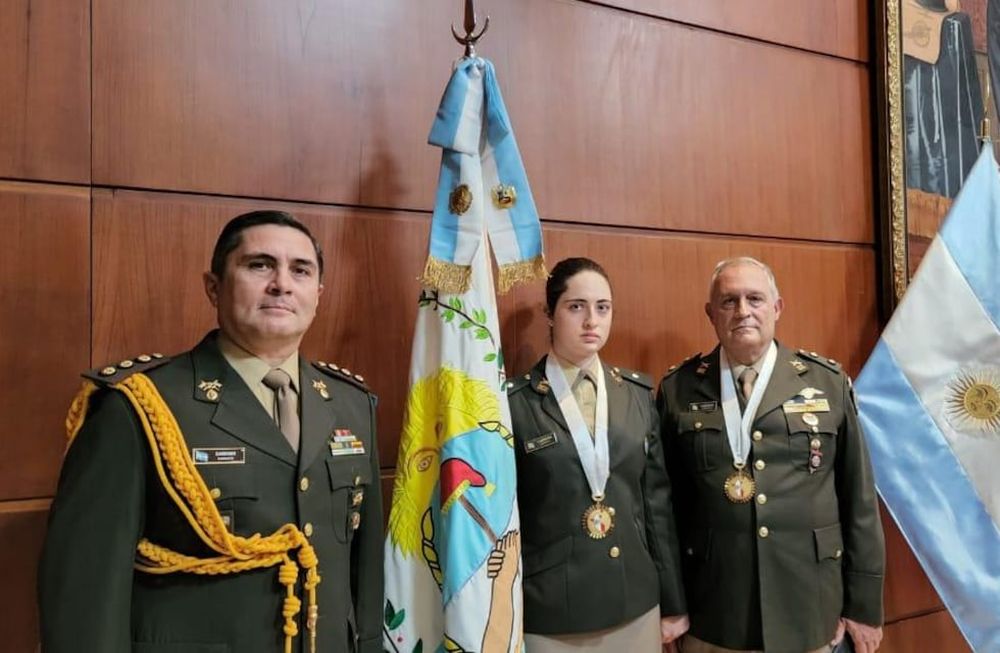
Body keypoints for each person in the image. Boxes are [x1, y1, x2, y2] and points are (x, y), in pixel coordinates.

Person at [38, 210, 383, 653]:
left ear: (317, 293)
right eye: (259, 265)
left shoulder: (352, 404)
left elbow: (365, 574)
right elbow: (84, 593)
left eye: (300, 270)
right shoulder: (139, 405)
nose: (281, 283)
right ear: (214, 287)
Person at [656, 257, 885, 653]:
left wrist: (863, 605)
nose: (742, 311)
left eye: (755, 299)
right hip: (716, 610)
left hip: (810, 605)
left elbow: (859, 500)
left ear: (777, 308)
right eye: (728, 301)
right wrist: (672, 604)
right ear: (711, 314)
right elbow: (663, 508)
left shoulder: (825, 383)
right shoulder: (678, 389)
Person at [507, 257, 688, 652]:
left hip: (635, 603)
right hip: (551, 613)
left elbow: (657, 507)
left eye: (602, 308)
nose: (592, 320)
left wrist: (673, 603)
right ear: (549, 314)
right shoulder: (514, 403)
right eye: (577, 306)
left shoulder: (637, 395)